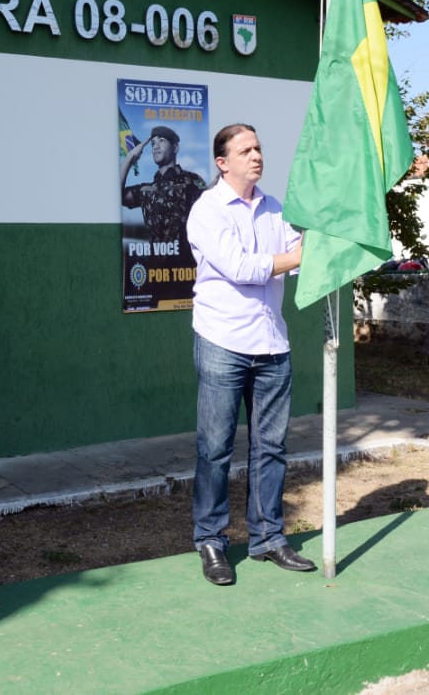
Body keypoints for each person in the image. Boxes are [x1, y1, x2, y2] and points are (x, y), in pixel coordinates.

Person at [185, 123, 315, 585]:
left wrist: (317, 243)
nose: (257, 155)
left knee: (272, 447)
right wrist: (302, 254)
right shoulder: (207, 209)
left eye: (258, 147)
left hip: (272, 344)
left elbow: (296, 253)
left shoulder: (274, 207)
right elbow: (243, 268)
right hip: (223, 342)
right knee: (215, 449)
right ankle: (212, 541)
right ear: (223, 162)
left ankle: (268, 538)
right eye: (246, 150)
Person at [120, 124, 207, 262]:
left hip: (186, 270)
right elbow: (118, 196)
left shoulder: (191, 181)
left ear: (175, 148)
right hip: (155, 272)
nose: (155, 146)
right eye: (153, 143)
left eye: (161, 140)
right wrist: (130, 157)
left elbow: (210, 213)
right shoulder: (146, 190)